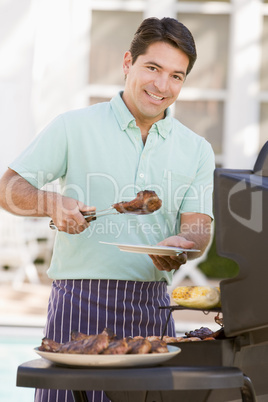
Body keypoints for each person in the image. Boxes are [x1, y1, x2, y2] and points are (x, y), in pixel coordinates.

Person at [0, 17, 214, 402]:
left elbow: (199, 231)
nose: (162, 86)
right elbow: (8, 189)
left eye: (176, 76)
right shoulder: (73, 126)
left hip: (153, 308)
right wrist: (51, 201)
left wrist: (184, 243)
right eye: (153, 68)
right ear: (128, 62)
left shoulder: (196, 149)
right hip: (78, 303)